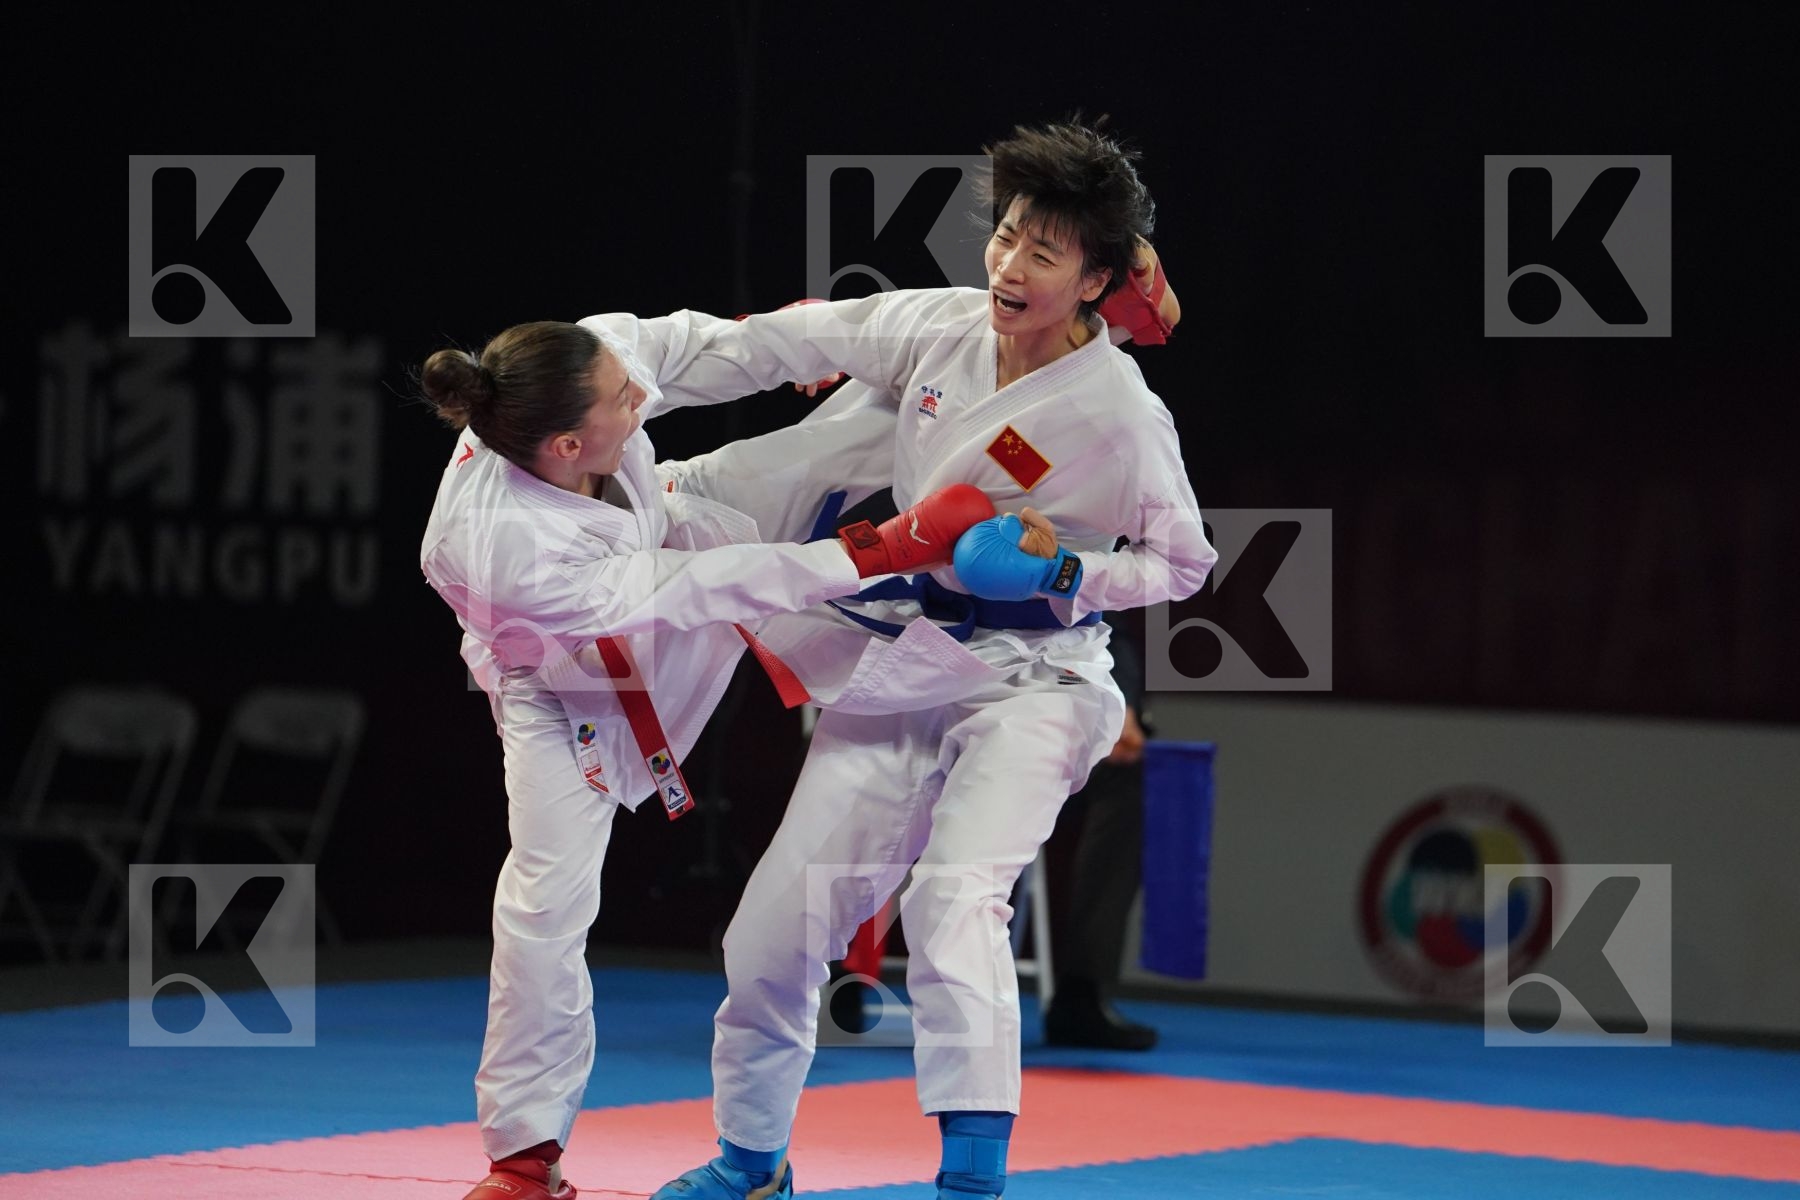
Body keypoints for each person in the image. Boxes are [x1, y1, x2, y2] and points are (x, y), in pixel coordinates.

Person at [649, 120, 1216, 1200]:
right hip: (914, 656)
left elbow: (1184, 564)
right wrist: (633, 372)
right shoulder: (936, 326)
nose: (1008, 266)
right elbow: (785, 341)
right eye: (1005, 237)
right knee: (771, 932)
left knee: (953, 900)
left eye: (1044, 254)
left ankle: (970, 1182)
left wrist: (1064, 575)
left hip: (1039, 681)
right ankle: (749, 1164)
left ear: (1097, 279)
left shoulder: (1121, 413)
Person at [416, 313, 1005, 1200]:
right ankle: (524, 1157)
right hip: (563, 682)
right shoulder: (510, 547)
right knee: (544, 899)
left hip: (669, 526)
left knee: (876, 408)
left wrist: (827, 349)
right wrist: (878, 552)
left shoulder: (582, 365)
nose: (639, 393)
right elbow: (710, 589)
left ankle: (1063, 339)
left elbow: (703, 345)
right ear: (573, 443)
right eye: (624, 400)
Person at [1040, 619, 1159, 1050]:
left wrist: (1117, 708)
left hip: (1039, 698)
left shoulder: (1076, 563)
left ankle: (1082, 993)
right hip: (943, 695)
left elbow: (1112, 634)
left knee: (1128, 777)